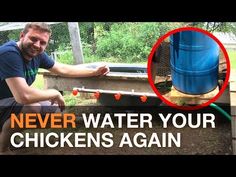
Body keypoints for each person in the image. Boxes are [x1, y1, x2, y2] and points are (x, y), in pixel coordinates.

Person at [0, 22, 109, 154]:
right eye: (33, 39)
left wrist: (94, 71)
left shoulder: (37, 54)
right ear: (22, 35)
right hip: (6, 100)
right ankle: (3, 148)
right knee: (32, 107)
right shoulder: (9, 53)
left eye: (42, 42)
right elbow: (23, 96)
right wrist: (54, 93)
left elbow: (63, 69)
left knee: (52, 111)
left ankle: (7, 134)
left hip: (7, 101)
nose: (37, 45)